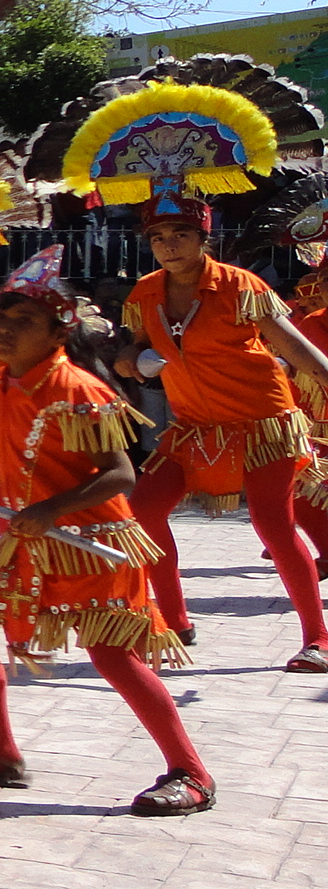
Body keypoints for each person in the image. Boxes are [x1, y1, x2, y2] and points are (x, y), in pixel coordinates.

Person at [0, 253, 210, 814]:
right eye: (0, 320)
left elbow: (120, 473)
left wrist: (52, 510)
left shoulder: (76, 388)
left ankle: (192, 773)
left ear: (59, 331)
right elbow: (9, 452)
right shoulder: (3, 384)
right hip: (32, 541)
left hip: (93, 544)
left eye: (22, 322)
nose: (4, 331)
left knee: (113, 656)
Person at [114, 198, 328, 670]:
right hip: (193, 426)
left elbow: (291, 342)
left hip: (262, 421)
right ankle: (174, 620)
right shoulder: (146, 292)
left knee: (272, 524)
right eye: (158, 237)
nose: (168, 246)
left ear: (202, 239)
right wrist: (128, 359)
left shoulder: (239, 286)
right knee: (143, 511)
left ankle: (319, 639)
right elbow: (137, 346)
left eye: (180, 235)